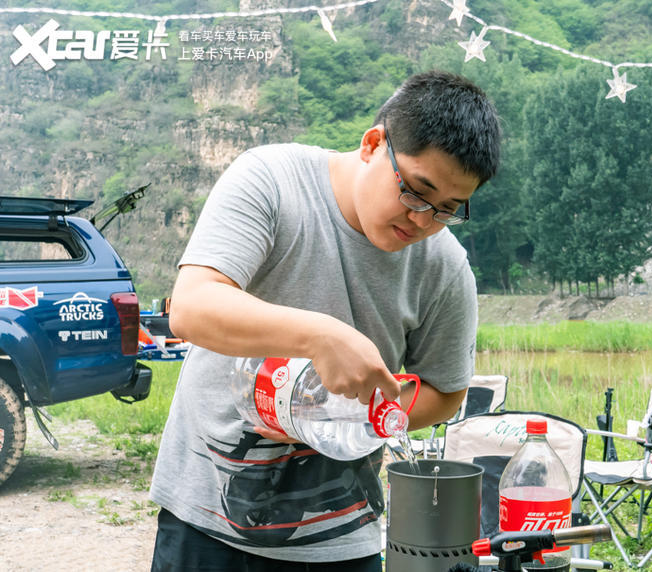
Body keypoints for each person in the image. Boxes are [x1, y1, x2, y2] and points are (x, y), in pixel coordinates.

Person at [148, 70, 501, 571]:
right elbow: (192, 306)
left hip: (341, 537)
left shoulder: (444, 268)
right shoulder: (271, 180)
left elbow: (446, 392)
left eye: (446, 209)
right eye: (416, 191)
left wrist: (352, 413)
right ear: (374, 144)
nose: (422, 221)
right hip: (206, 526)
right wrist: (320, 336)